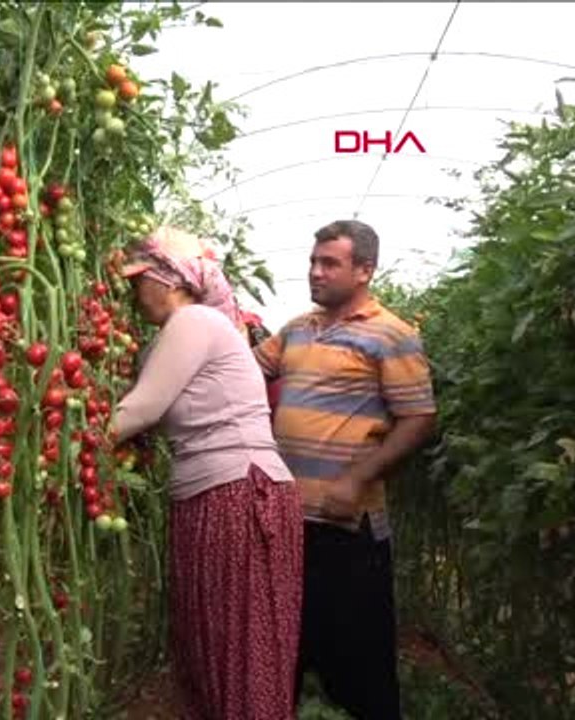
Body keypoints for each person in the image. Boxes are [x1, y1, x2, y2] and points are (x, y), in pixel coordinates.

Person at [108, 226, 303, 720]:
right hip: (212, 494)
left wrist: (69, 443)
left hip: (240, 492)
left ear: (170, 279)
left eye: (140, 280)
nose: (133, 293)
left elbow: (141, 409)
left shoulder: (195, 321)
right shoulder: (167, 341)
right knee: (211, 637)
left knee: (240, 642)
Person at [252, 219, 438, 720]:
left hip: (348, 525)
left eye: (329, 263)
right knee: (284, 646)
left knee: (361, 661)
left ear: (364, 271)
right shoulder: (296, 329)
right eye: (313, 261)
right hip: (287, 521)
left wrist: (358, 477)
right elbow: (246, 372)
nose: (315, 272)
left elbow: (418, 418)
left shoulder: (391, 336)